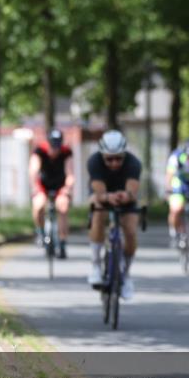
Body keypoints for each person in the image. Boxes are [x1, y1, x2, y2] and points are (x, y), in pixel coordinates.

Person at [86, 130, 142, 300]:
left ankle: (125, 275)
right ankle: (95, 264)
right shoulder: (94, 161)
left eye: (119, 158)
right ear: (102, 155)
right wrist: (107, 197)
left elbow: (132, 191)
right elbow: (99, 191)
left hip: (125, 197)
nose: (114, 163)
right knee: (98, 212)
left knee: (131, 231)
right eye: (109, 159)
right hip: (104, 195)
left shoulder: (133, 163)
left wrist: (126, 196)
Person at [29, 128, 75, 258]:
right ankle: (40, 232)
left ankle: (62, 242)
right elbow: (33, 171)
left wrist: (67, 188)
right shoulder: (39, 151)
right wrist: (35, 188)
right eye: (53, 146)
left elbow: (70, 173)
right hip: (43, 185)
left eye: (57, 146)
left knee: (63, 207)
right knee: (39, 205)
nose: (55, 150)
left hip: (60, 185)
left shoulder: (66, 152)